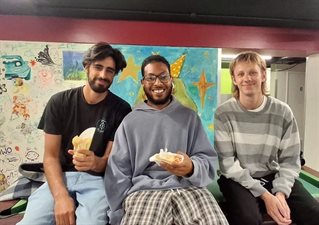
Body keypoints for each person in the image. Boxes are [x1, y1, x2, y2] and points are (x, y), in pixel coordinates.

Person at [105, 54, 229, 225]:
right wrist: (117, 213)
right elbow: (118, 170)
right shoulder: (130, 122)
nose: (157, 83)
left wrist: (191, 167)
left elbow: (207, 160)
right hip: (144, 191)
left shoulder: (189, 118)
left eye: (163, 77)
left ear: (171, 80)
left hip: (188, 187)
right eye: (151, 78)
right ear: (143, 83)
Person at [17, 42, 131, 225]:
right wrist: (61, 197)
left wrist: (96, 162)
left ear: (115, 74)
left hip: (97, 180)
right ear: (86, 66)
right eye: (98, 67)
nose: (103, 75)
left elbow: (110, 160)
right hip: (60, 176)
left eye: (110, 70)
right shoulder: (59, 102)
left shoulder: (121, 109)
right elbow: (50, 156)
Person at [214, 51, 319, 225]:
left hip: (272, 175)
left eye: (252, 72)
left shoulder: (283, 112)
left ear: (263, 75)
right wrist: (265, 195)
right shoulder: (223, 113)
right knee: (248, 219)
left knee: (314, 213)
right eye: (241, 74)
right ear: (234, 79)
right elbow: (227, 164)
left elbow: (290, 160)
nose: (247, 78)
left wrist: (280, 193)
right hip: (237, 179)